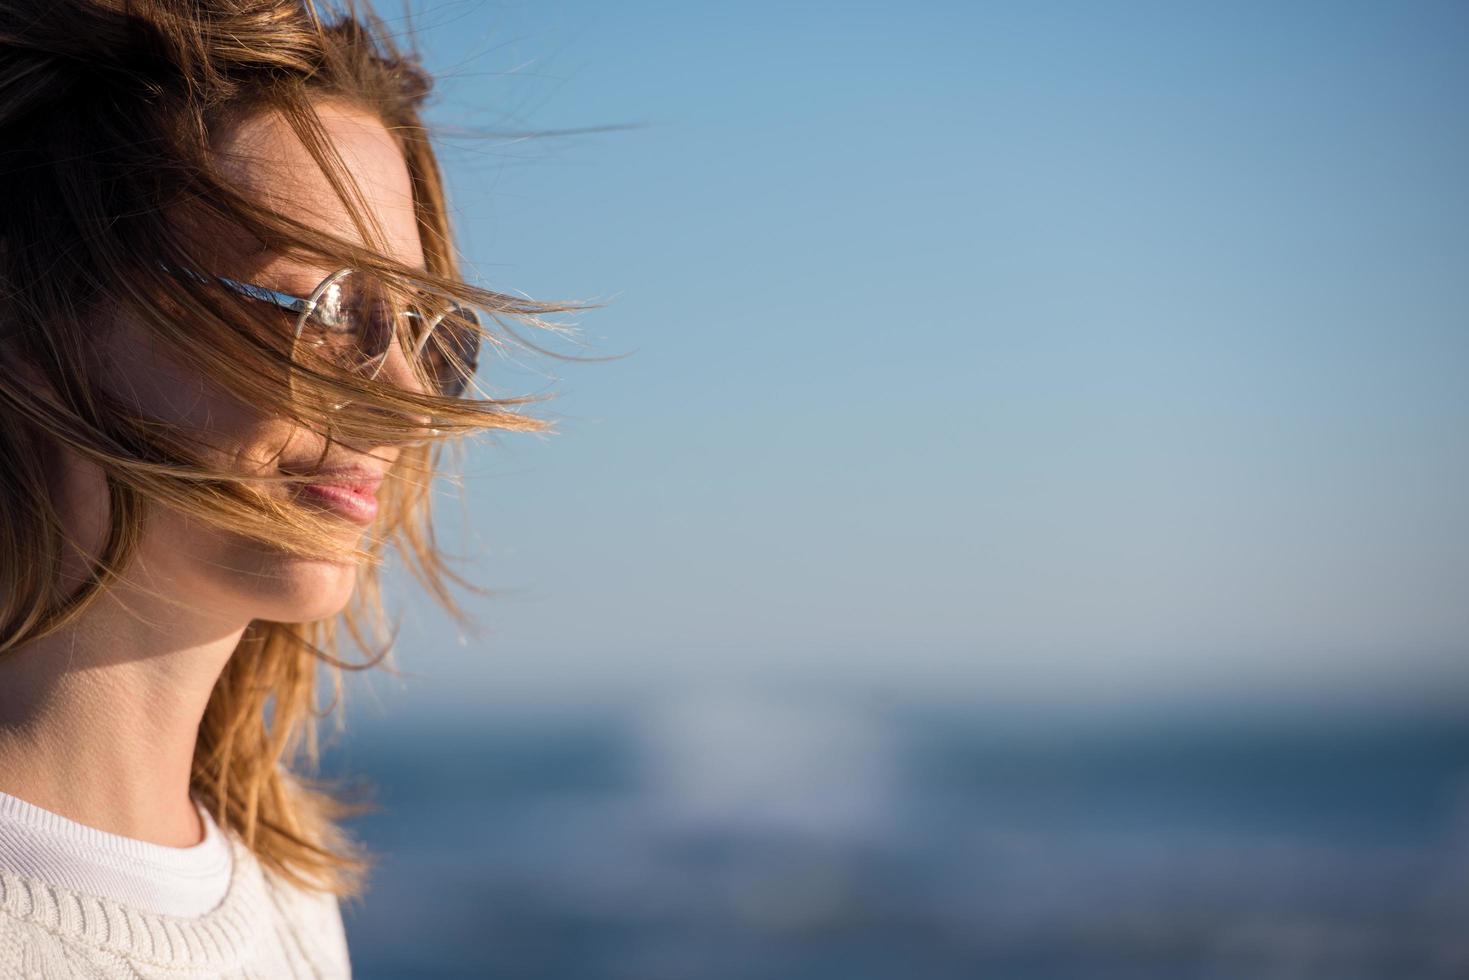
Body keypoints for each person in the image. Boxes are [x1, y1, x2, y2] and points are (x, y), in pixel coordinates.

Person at [0, 0, 576, 974]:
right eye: (326, 309)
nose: (404, 404)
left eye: (420, 330)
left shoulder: (282, 894)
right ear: (34, 325)